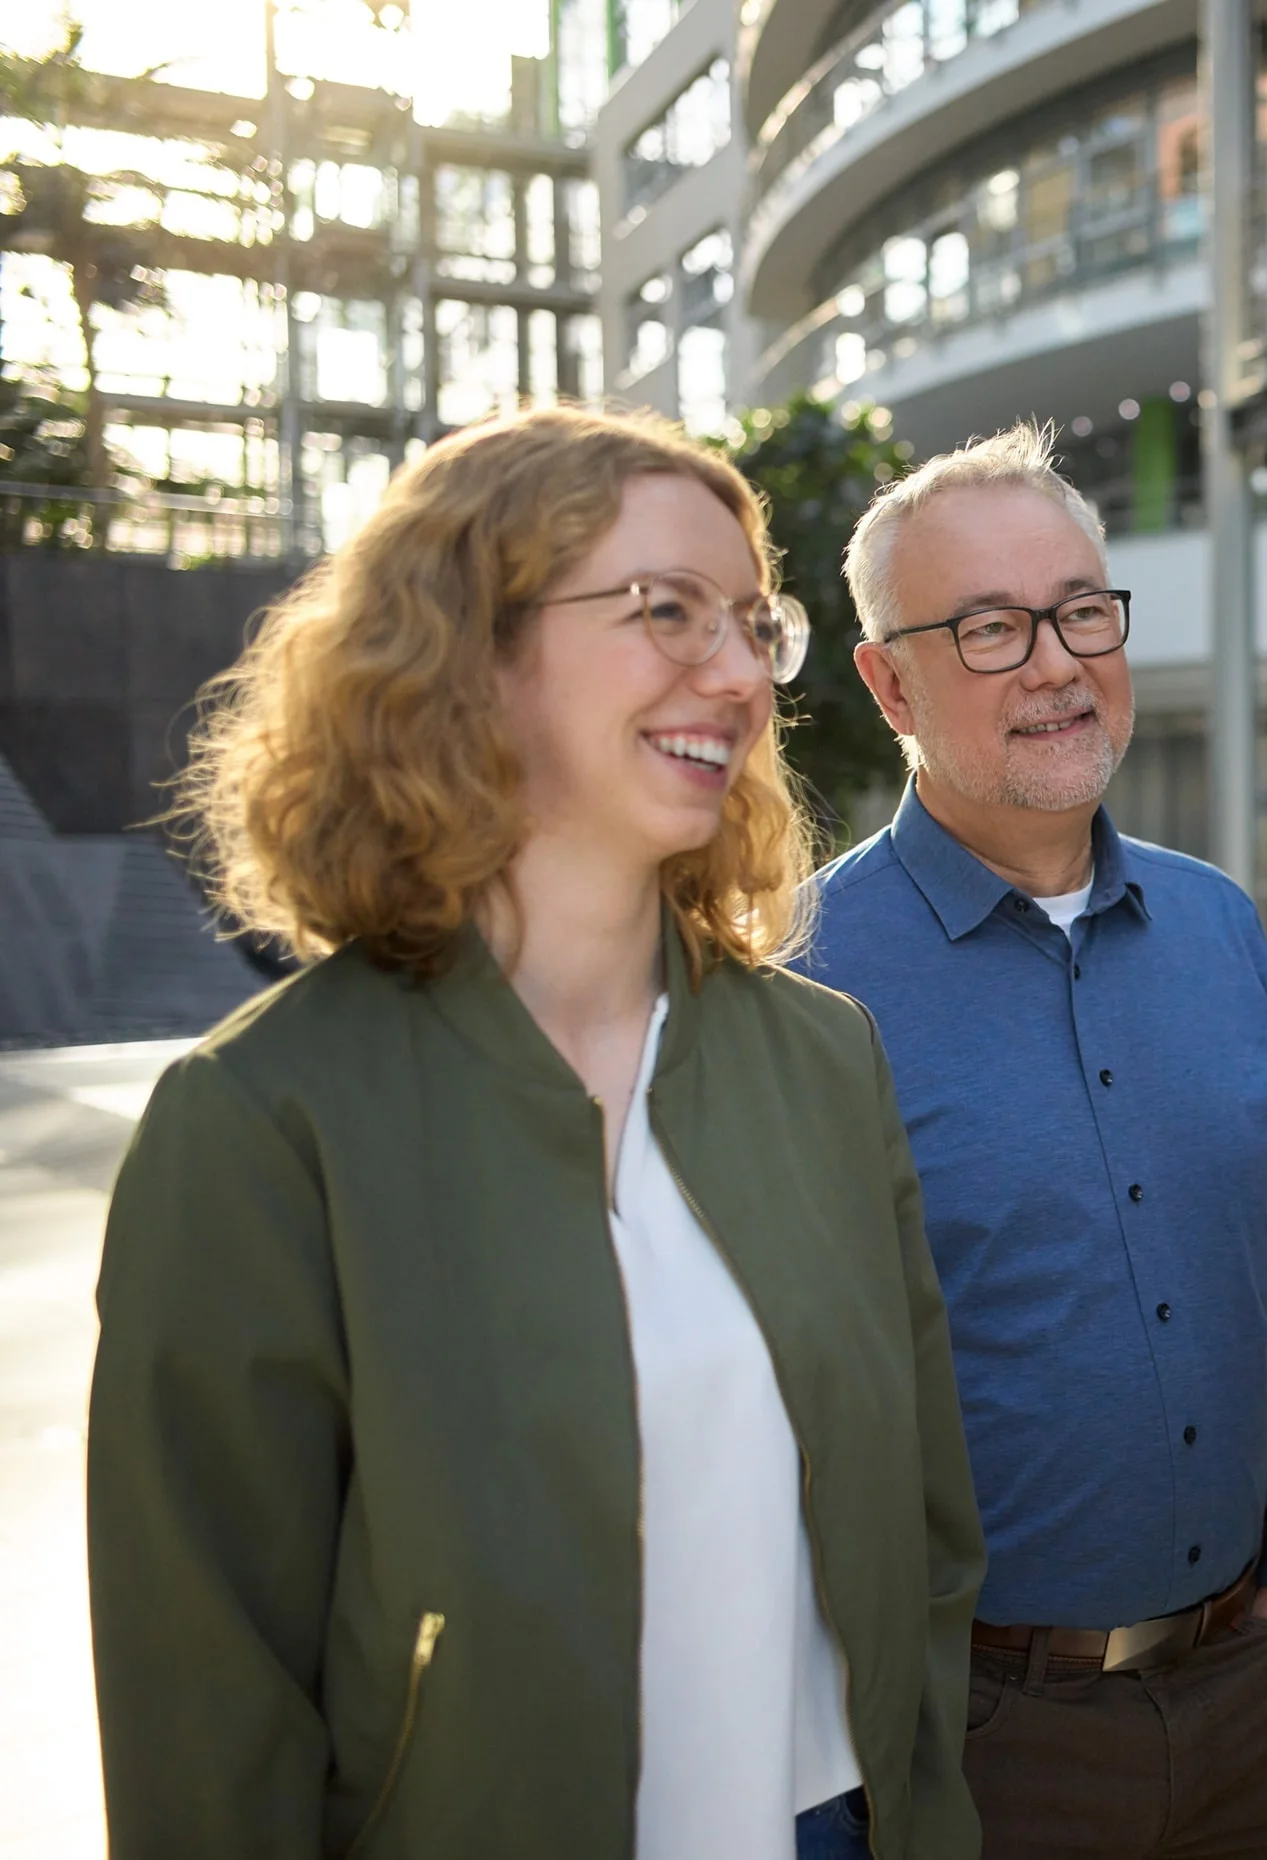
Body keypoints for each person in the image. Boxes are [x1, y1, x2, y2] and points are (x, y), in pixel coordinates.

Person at [88, 404, 987, 1860]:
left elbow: (928, 1533)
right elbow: (207, 1705)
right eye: (667, 609)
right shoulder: (261, 1123)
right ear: (472, 651)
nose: (736, 672)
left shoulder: (827, 1061)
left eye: (754, 623)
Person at [798, 422, 1267, 1860]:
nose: (1057, 663)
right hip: (987, 1750)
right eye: (989, 628)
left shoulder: (1217, 925)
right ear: (889, 683)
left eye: (1081, 610)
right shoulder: (800, 983)